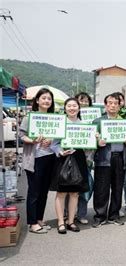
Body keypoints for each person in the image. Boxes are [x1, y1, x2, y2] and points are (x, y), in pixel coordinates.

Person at [92, 93, 126, 228]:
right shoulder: (98, 121)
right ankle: (100, 216)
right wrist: (98, 142)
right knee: (101, 188)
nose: (113, 105)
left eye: (115, 103)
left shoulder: (125, 121)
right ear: (105, 105)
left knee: (117, 188)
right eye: (110, 103)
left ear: (119, 105)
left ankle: (114, 215)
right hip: (104, 158)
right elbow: (90, 141)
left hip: (120, 157)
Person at [19, 87, 57, 234]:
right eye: (44, 98)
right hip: (35, 159)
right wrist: (33, 141)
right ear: (37, 100)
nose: (47, 101)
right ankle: (32, 222)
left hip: (50, 157)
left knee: (44, 191)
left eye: (49, 98)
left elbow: (59, 136)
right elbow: (21, 135)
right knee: (34, 191)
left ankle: (39, 219)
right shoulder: (30, 117)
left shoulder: (54, 118)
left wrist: (51, 140)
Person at [50, 98, 89, 234]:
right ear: (65, 108)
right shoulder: (60, 123)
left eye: (74, 106)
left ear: (79, 108)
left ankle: (71, 221)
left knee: (74, 192)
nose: (72, 108)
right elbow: (53, 144)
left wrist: (94, 138)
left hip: (78, 158)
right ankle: (61, 222)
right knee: (61, 192)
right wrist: (60, 151)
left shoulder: (85, 124)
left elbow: (88, 145)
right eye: (69, 106)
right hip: (63, 158)